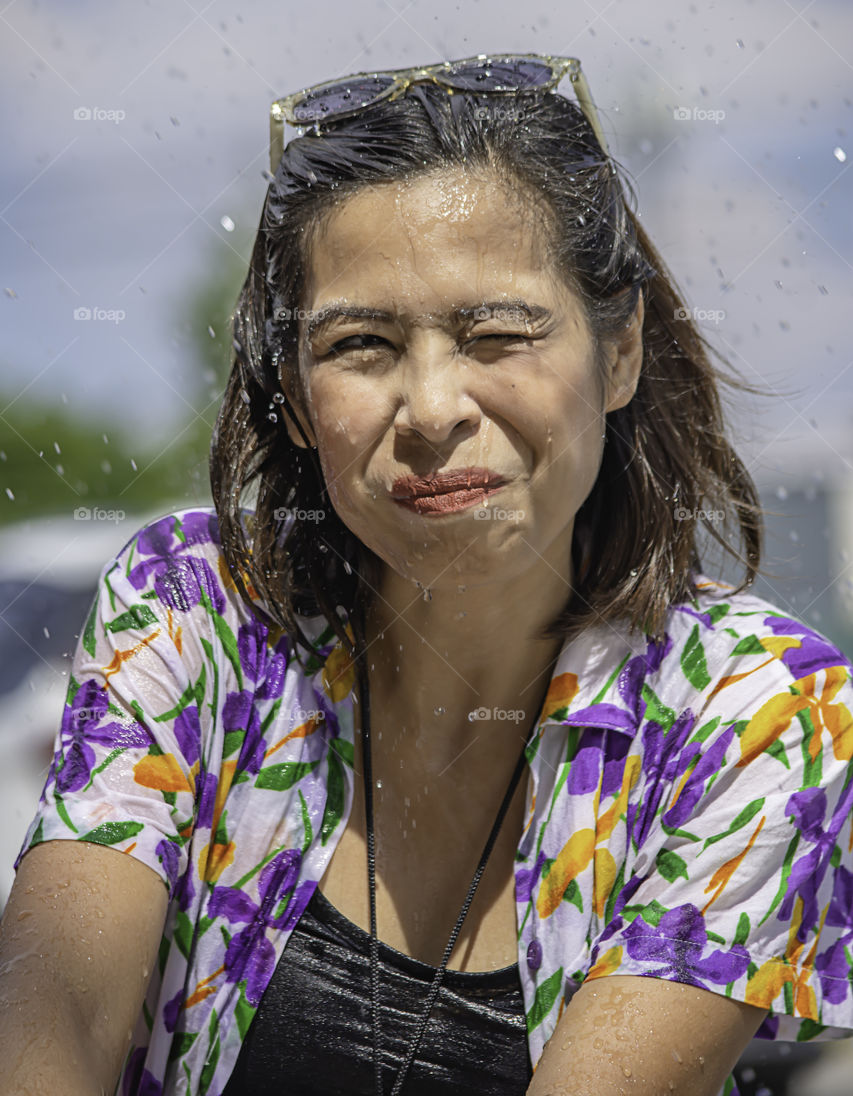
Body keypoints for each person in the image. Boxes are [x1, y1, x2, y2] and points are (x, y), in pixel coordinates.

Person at [1, 54, 852, 1096]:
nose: (433, 406)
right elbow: (52, 1026)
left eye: (497, 332)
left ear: (619, 349)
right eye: (361, 343)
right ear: (299, 401)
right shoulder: (195, 613)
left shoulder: (750, 708)